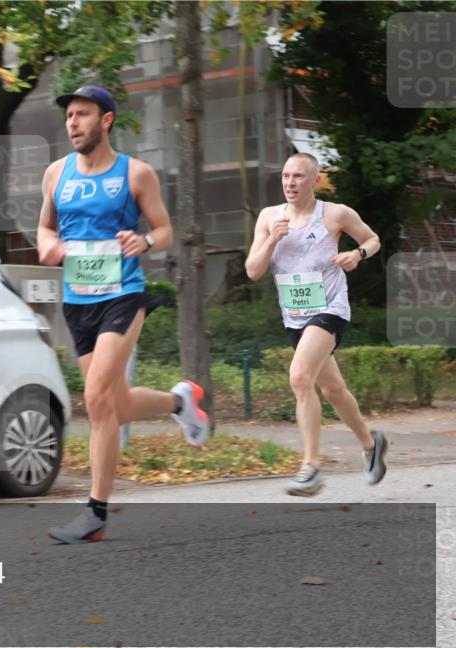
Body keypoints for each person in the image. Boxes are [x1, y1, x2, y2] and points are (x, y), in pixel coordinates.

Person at [37, 86, 210, 544]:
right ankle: (180, 402)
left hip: (123, 295)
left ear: (106, 120)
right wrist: (47, 245)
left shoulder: (136, 174)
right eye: (69, 116)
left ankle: (95, 513)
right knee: (116, 405)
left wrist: (146, 242)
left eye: (83, 115)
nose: (73, 123)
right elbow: (45, 226)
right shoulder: (56, 173)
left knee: (95, 400)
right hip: (78, 301)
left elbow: (166, 230)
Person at [245, 152, 388, 496]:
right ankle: (372, 446)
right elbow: (252, 270)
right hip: (294, 316)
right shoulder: (269, 218)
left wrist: (357, 254)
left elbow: (372, 239)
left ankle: (311, 467)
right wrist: (271, 239)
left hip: (330, 310)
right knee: (333, 390)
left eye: (298, 177)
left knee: (299, 376)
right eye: (285, 176)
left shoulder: (335, 214)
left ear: (314, 180)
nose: (290, 183)